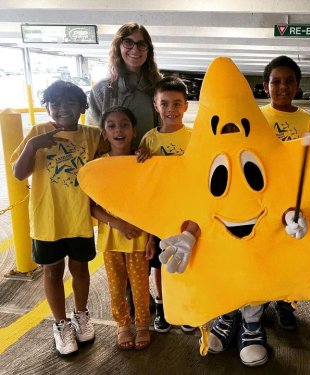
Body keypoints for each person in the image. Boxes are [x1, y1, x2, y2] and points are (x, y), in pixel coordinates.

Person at [11, 80, 102, 356]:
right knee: (52, 272)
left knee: (81, 269)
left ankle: (81, 315)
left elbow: (111, 158)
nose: (63, 108)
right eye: (56, 103)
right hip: (46, 219)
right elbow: (19, 173)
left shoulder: (91, 135)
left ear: (82, 107)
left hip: (78, 218)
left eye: (70, 102)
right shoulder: (37, 132)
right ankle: (61, 324)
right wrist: (33, 146)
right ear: (47, 106)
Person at [140, 76, 200, 334]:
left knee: (187, 259)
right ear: (156, 106)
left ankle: (185, 306)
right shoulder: (149, 140)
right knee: (160, 263)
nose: (171, 110)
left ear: (186, 106)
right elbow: (143, 177)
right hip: (159, 211)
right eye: (165, 104)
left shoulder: (196, 136)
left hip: (188, 210)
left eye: (177, 104)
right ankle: (162, 305)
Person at [91, 106, 154, 350]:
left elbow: (150, 203)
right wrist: (116, 223)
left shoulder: (142, 161)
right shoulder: (98, 166)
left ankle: (142, 325)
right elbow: (92, 207)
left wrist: (151, 238)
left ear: (134, 130)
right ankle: (122, 325)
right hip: (111, 239)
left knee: (140, 286)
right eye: (112, 125)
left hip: (139, 237)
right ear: (104, 133)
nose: (119, 130)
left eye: (124, 124)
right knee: (116, 285)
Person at [260, 55, 310, 331]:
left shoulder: (306, 120)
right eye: (276, 81)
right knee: (265, 250)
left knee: (291, 253)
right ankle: (260, 299)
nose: (283, 87)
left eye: (289, 81)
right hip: (264, 197)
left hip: (294, 199)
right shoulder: (257, 116)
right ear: (266, 85)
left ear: (298, 85)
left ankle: (286, 302)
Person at [87, 22, 162, 148]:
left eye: (141, 44)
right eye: (128, 42)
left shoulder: (159, 87)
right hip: (115, 162)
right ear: (118, 46)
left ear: (148, 50)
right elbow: (94, 134)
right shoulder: (101, 90)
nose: (135, 49)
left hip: (152, 159)